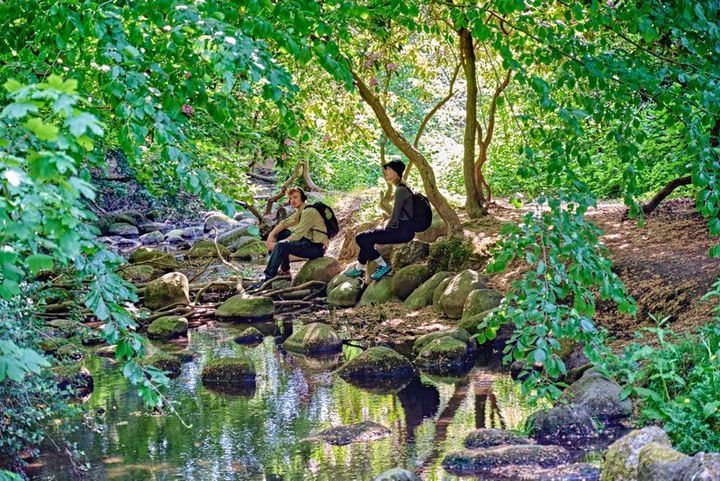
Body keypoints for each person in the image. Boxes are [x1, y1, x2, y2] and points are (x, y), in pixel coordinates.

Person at [344, 160, 414, 280]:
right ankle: (359, 268)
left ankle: (383, 266)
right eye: (386, 169)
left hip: (402, 232)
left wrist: (386, 230)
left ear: (397, 172)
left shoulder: (400, 190)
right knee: (366, 239)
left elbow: (395, 215)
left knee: (361, 238)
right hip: (404, 230)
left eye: (389, 169)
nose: (386, 171)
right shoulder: (403, 187)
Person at [256, 186, 328, 285]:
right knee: (282, 233)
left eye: (295, 197)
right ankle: (285, 270)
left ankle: (267, 278)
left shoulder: (309, 212)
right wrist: (272, 234)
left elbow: (297, 234)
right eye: (290, 198)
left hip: (316, 248)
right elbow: (285, 223)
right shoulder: (301, 210)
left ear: (303, 198)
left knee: (281, 245)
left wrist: (278, 244)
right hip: (307, 242)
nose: (292, 201)